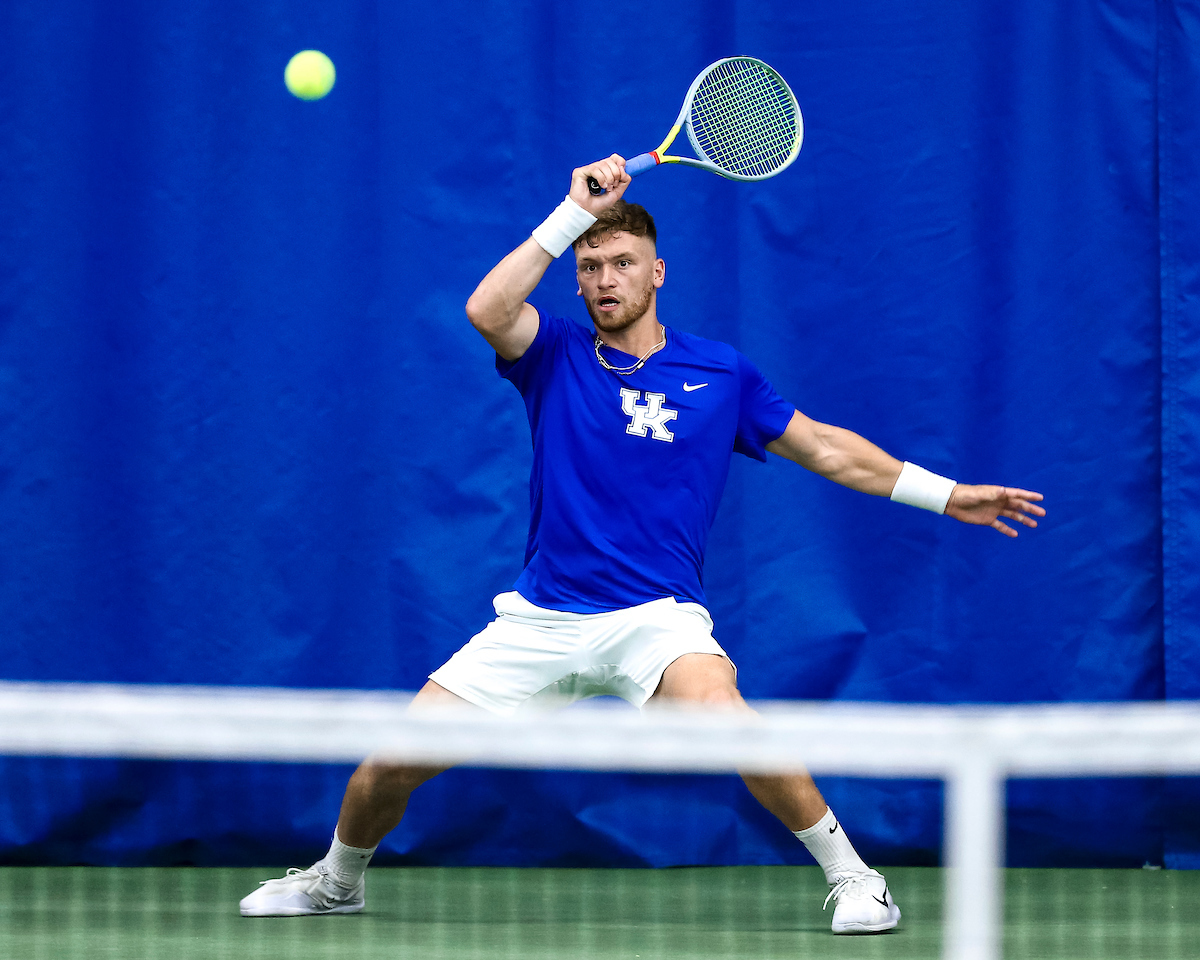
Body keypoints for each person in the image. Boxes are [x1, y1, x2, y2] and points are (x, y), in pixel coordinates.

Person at [239, 155, 1045, 933]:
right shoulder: (552, 353)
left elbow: (828, 449)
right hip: (542, 617)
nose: (604, 280)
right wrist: (571, 215)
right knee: (390, 762)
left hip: (655, 617)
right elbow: (486, 310)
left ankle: (854, 878)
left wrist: (946, 494)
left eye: (622, 263)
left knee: (729, 721)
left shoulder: (720, 374)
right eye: (590, 267)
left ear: (657, 273)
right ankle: (336, 883)